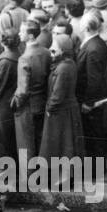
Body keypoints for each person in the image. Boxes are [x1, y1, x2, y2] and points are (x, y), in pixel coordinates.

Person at [39, 33, 85, 182]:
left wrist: (49, 108)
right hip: (66, 110)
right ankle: (65, 176)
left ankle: (63, 178)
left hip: (61, 112)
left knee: (62, 145)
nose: (51, 50)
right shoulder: (68, 64)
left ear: (63, 50)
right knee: (66, 145)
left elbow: (58, 95)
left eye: (54, 48)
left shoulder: (63, 68)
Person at [11, 19, 50, 159]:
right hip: (42, 102)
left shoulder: (24, 58)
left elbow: (22, 90)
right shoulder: (46, 52)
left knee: (26, 144)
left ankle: (28, 172)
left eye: (22, 31)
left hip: (28, 106)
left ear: (31, 35)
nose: (19, 34)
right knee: (40, 141)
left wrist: (16, 102)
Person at [75, 13, 107, 157]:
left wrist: (88, 103)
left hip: (91, 100)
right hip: (91, 98)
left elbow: (93, 79)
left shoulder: (94, 47)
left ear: (86, 27)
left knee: (93, 138)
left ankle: (95, 168)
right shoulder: (95, 43)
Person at [0, 34, 20, 166]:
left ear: (3, 42)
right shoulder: (18, 55)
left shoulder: (4, 61)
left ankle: (6, 169)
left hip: (2, 104)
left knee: (4, 139)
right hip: (12, 101)